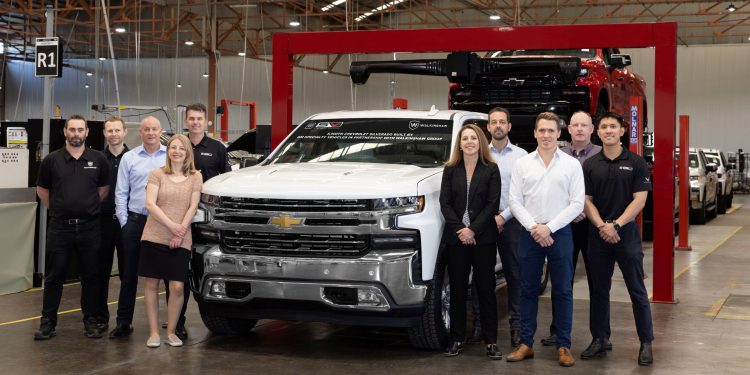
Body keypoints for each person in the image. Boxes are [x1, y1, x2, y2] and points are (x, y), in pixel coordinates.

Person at [506, 112, 584, 367]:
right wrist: (534, 227)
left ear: (559, 133)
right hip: (530, 234)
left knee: (562, 291)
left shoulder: (572, 165)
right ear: (535, 133)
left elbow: (577, 203)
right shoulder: (523, 164)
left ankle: (564, 346)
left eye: (551, 131)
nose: (547, 135)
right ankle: (526, 343)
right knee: (527, 290)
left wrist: (549, 227)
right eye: (542, 130)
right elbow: (514, 201)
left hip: (560, 233)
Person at [580, 112, 654, 365]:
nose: (609, 130)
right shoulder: (589, 165)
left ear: (622, 131)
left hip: (627, 234)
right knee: (599, 290)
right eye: (604, 127)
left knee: (637, 290)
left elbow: (640, 199)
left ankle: (646, 342)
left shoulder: (636, 162)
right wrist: (603, 226)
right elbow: (586, 201)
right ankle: (600, 339)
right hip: (598, 234)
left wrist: (617, 225)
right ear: (597, 132)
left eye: (613, 126)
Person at [34, 115, 110, 340]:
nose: (76, 134)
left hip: (90, 228)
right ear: (65, 132)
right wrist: (60, 209)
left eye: (80, 130)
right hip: (60, 228)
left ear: (87, 132)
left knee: (91, 276)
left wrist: (86, 207)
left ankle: (91, 321)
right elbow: (42, 190)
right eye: (72, 130)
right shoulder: (52, 160)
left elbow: (103, 189)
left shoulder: (98, 159)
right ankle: (48, 322)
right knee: (54, 277)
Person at [162, 103, 230, 340]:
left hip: (207, 221)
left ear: (206, 121)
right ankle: (176, 321)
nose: (195, 122)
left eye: (199, 118)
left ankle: (217, 314)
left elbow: (226, 181)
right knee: (175, 272)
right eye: (191, 118)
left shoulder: (217, 148)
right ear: (186, 121)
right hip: (177, 219)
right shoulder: (177, 146)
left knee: (202, 268)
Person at [540, 111, 609, 349]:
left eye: (585, 125)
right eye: (575, 125)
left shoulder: (602, 156)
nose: (580, 129)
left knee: (597, 282)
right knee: (561, 281)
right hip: (563, 226)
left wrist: (589, 211)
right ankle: (557, 331)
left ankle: (601, 336)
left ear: (593, 130)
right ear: (568, 129)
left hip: (592, 227)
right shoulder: (557, 155)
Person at [440, 124, 502, 359]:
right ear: (459, 143)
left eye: (473, 138)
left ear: (480, 142)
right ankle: (457, 338)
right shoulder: (450, 169)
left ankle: (491, 341)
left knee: (486, 289)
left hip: (483, 237)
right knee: (456, 289)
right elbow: (444, 203)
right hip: (456, 239)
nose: (469, 142)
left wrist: (473, 230)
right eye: (465, 138)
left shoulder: (491, 169)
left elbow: (491, 204)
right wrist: (461, 230)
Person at [140, 134, 203, 348]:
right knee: (152, 283)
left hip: (181, 236)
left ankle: (172, 331)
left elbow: (193, 207)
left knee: (177, 287)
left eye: (181, 148)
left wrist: (180, 231)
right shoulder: (157, 174)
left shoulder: (196, 177)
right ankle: (154, 332)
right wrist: (172, 227)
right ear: (168, 152)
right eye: (173, 147)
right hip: (155, 234)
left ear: (187, 153)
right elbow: (150, 204)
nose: (176, 151)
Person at [111, 116, 166, 339]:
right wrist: (126, 223)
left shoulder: (170, 156)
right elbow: (120, 192)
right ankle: (124, 322)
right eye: (146, 129)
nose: (151, 133)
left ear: (160, 131)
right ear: (140, 133)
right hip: (136, 222)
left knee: (169, 275)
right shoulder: (129, 158)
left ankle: (176, 323)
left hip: (163, 222)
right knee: (129, 275)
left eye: (154, 129)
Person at [481, 107, 528, 348]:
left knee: (514, 275)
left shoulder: (522, 156)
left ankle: (517, 328)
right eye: (493, 122)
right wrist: (489, 218)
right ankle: (482, 327)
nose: (498, 126)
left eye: (502, 122)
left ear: (509, 126)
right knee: (482, 274)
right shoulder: (479, 154)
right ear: (487, 127)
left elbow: (522, 194)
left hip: (513, 222)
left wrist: (503, 217)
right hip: (484, 222)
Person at [94, 116, 129, 333]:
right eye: (110, 131)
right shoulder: (96, 159)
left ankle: (124, 321)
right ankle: (99, 318)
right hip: (102, 222)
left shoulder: (134, 157)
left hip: (127, 223)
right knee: (99, 272)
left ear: (125, 132)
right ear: (105, 133)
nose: (114, 134)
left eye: (117, 130)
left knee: (128, 274)